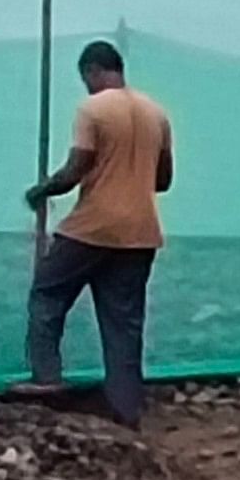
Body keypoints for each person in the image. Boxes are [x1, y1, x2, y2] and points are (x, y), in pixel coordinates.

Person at [17, 40, 173, 427]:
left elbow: (75, 170)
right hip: (140, 233)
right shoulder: (157, 114)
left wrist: (41, 190)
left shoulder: (93, 109)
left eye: (86, 77)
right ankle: (126, 408)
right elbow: (163, 180)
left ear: (92, 70)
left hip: (92, 227)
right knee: (123, 323)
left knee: (47, 294)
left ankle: (47, 379)